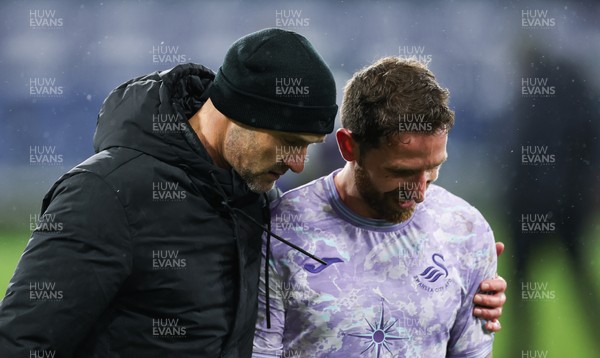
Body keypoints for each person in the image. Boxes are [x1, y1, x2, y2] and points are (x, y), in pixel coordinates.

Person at [0, 28, 338, 357]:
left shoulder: (253, 201)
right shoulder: (107, 194)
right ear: (238, 113)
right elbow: (23, 342)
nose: (298, 164)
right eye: (289, 143)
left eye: (309, 147)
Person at [252, 57, 505, 358]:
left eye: (433, 169)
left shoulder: (466, 231)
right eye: (401, 172)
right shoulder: (280, 230)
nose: (420, 192)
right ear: (349, 147)